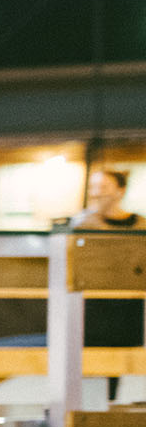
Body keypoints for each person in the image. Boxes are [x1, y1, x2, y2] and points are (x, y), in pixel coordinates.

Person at [73, 168, 141, 401]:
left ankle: (108, 414)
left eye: (102, 187)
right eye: (93, 187)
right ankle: (92, 416)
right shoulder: (83, 224)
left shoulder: (140, 226)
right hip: (94, 307)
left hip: (128, 308)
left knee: (116, 366)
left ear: (119, 191)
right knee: (91, 367)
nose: (96, 193)